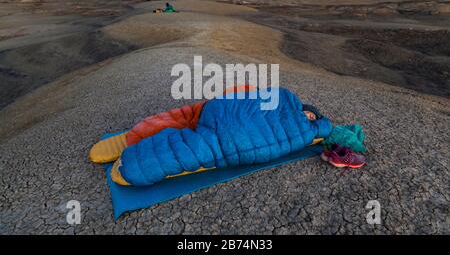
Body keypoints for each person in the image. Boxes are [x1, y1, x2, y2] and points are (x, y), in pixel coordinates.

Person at [97, 87, 334, 186]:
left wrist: (320, 126)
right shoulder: (285, 98)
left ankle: (134, 157)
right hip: (225, 112)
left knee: (198, 141)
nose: (310, 117)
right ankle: (131, 138)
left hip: (229, 131)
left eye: (313, 117)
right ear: (303, 107)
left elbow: (322, 129)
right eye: (310, 113)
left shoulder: (307, 128)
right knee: (188, 119)